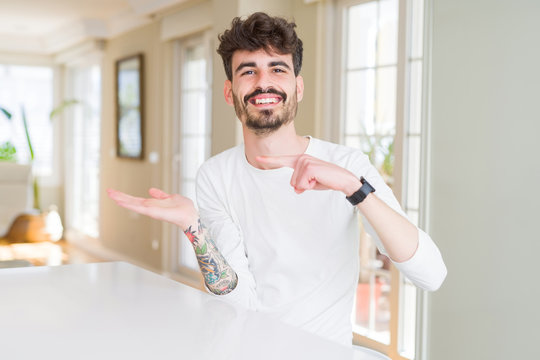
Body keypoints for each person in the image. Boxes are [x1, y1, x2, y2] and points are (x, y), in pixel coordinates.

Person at [108, 12, 447, 346]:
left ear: (297, 87)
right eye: (248, 71)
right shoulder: (215, 175)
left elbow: (431, 275)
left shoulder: (346, 165)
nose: (263, 82)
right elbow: (236, 302)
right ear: (230, 92)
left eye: (277, 69)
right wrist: (193, 228)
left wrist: (353, 188)